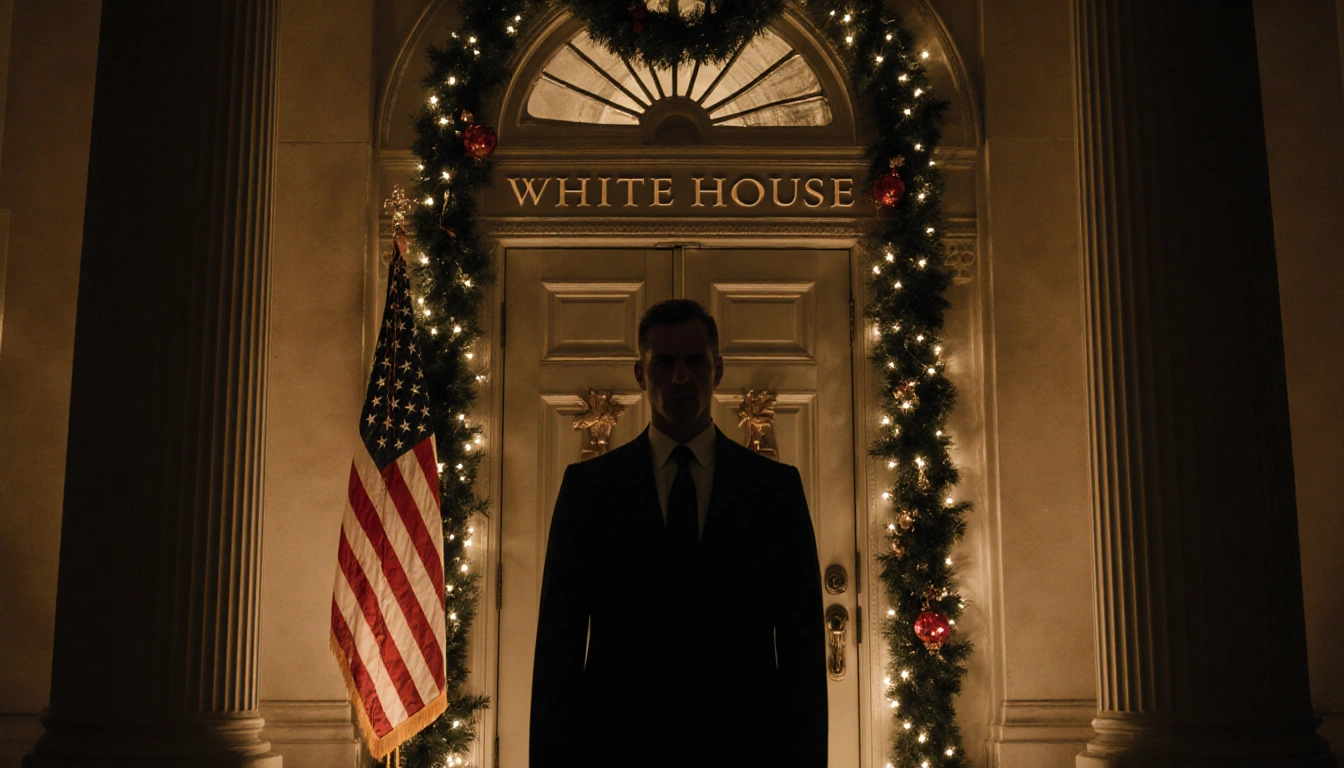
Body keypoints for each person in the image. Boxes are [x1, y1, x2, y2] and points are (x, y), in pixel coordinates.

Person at [529, 298, 828, 768]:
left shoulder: (775, 490)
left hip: (745, 747)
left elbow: (802, 651)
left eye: (695, 361)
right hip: (619, 748)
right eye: (664, 363)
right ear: (640, 373)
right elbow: (557, 652)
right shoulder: (589, 490)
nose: (681, 377)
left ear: (719, 369)